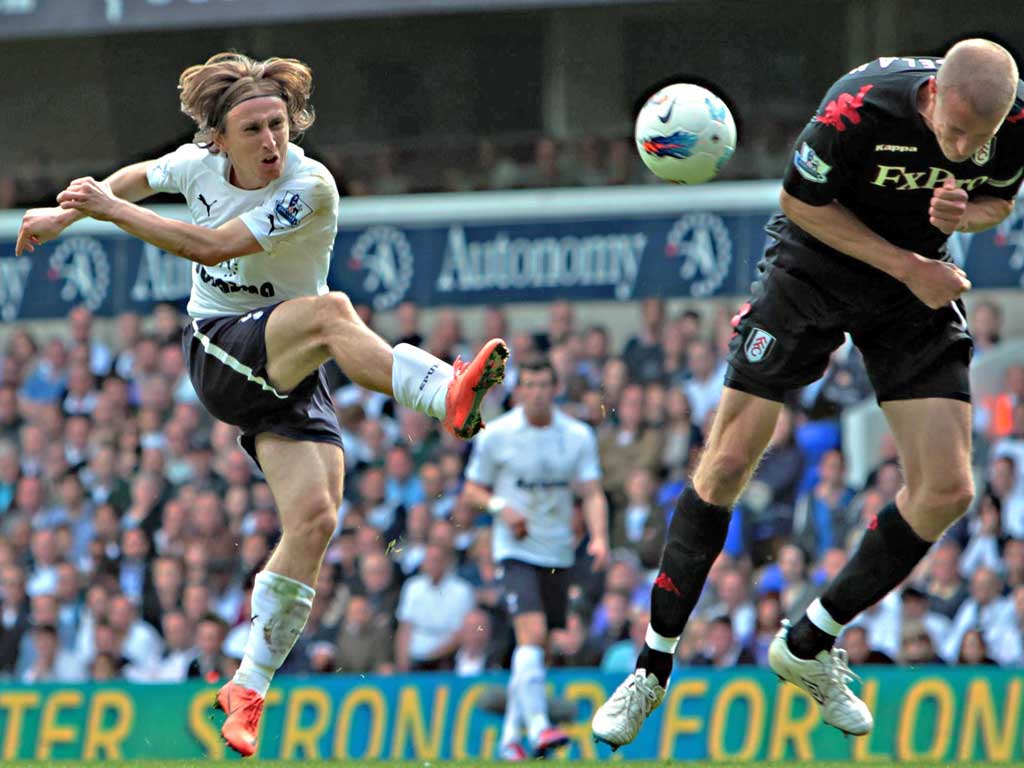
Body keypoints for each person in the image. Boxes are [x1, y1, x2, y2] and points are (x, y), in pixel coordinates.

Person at [17, 52, 508, 757]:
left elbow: (211, 241)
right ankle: (443, 392)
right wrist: (71, 215)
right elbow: (134, 180)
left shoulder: (311, 185)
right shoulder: (195, 166)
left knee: (316, 518)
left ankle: (247, 686)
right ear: (218, 138)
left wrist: (101, 208)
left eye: (278, 123)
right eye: (252, 129)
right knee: (331, 310)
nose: (271, 141)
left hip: (287, 362)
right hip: (220, 348)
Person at [593, 38, 1023, 748]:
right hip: (816, 263)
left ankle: (809, 643)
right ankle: (650, 669)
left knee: (948, 488)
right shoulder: (858, 106)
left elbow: (996, 202)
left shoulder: (1010, 122)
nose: (961, 148)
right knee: (728, 460)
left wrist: (960, 216)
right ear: (934, 95)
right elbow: (799, 201)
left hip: (912, 282)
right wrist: (909, 263)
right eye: (952, 132)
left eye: (976, 141)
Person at [462, 357, 609, 760]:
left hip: (558, 551)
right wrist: (500, 507)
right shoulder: (498, 435)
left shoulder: (576, 436)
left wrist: (598, 537)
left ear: (555, 388)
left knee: (537, 646)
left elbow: (592, 491)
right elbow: (471, 490)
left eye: (545, 385)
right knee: (531, 634)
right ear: (519, 390)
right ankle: (541, 727)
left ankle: (510, 740)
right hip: (514, 551)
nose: (538, 392)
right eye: (530, 385)